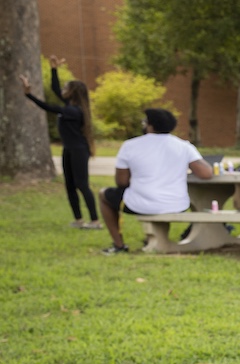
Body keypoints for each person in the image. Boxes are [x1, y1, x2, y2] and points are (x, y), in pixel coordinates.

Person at [99, 108, 213, 255]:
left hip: (139, 204)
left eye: (144, 122)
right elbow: (206, 173)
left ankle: (119, 245)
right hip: (177, 204)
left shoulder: (129, 145)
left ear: (150, 125)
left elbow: (121, 182)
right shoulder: (184, 146)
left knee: (104, 195)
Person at [21, 57, 99, 229]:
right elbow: (55, 89)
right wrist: (54, 69)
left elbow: (48, 107)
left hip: (79, 150)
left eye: (66, 88)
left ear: (73, 92)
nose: (62, 90)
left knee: (82, 184)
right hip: (68, 149)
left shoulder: (74, 111)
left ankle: (95, 221)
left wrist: (29, 96)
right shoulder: (69, 105)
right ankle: (78, 220)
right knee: (70, 185)